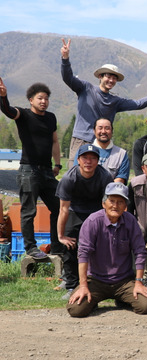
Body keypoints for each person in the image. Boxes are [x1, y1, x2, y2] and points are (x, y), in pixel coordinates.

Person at [60, 38, 147, 168]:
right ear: (100, 77)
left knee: (100, 176)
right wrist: (65, 58)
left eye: (114, 78)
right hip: (81, 140)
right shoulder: (85, 88)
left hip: (102, 142)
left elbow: (138, 104)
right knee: (75, 174)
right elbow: (67, 77)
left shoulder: (115, 101)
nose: (111, 80)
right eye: (108, 76)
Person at [66, 182, 147, 317]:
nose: (115, 205)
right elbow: (83, 254)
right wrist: (83, 285)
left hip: (124, 280)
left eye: (120, 202)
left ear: (125, 206)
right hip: (96, 279)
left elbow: (140, 252)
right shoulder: (93, 221)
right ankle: (93, 300)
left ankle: (122, 299)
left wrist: (139, 282)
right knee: (76, 309)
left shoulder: (130, 221)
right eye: (112, 201)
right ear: (104, 203)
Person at [0, 78, 62, 259]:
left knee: (59, 206)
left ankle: (57, 245)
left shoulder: (51, 118)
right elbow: (9, 111)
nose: (44, 101)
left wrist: (57, 164)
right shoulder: (24, 115)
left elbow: (55, 141)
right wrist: (3, 97)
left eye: (46, 99)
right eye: (40, 98)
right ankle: (31, 248)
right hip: (29, 170)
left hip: (47, 171)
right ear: (31, 100)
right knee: (29, 211)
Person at [56, 145, 113, 299]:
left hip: (97, 211)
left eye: (93, 158)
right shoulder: (69, 178)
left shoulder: (104, 176)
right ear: (78, 160)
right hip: (74, 210)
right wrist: (61, 235)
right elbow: (63, 209)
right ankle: (71, 284)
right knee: (70, 243)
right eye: (85, 158)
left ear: (97, 161)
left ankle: (100, 280)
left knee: (102, 244)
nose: (89, 161)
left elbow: (110, 204)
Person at [73, 118, 129, 183]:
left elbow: (121, 179)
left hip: (111, 192)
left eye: (107, 128)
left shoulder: (121, 154)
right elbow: (76, 174)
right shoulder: (82, 151)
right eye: (100, 128)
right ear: (94, 131)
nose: (103, 131)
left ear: (112, 131)